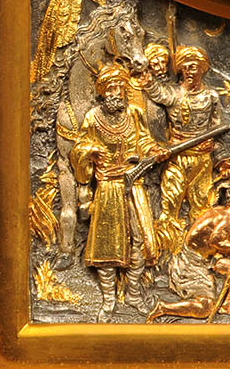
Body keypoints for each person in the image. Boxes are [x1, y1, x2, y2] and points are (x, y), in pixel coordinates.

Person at [71, 63, 168, 322]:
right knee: (107, 246)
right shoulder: (93, 118)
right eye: (111, 88)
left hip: (133, 185)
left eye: (120, 87)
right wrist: (90, 151)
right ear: (102, 91)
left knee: (140, 241)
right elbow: (79, 148)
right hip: (108, 188)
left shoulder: (134, 114)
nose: (116, 92)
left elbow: (144, 140)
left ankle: (133, 293)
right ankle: (108, 300)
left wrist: (154, 150)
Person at [140, 45, 224, 243]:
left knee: (201, 204)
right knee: (170, 201)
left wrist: (223, 160)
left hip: (202, 160)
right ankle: (169, 245)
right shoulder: (174, 93)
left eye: (193, 67)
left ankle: (197, 246)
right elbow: (158, 93)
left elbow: (217, 132)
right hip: (177, 156)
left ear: (202, 69)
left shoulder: (211, 97)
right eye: (184, 68)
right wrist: (148, 81)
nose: (189, 72)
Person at [146, 185, 230, 322]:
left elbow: (221, 235)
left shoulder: (220, 211)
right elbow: (216, 242)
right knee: (205, 308)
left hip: (207, 258)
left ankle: (226, 305)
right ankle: (164, 307)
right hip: (192, 264)